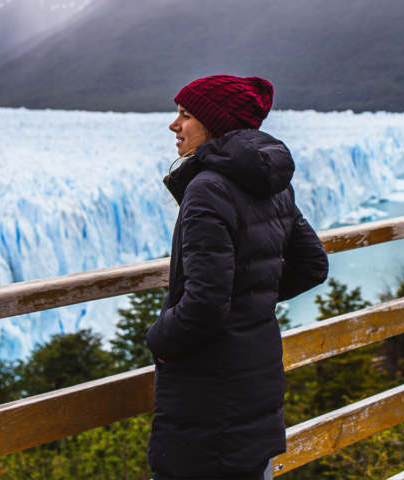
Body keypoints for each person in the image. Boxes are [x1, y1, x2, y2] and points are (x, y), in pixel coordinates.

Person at [145, 75, 329, 479]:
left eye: (185, 115)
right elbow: (312, 264)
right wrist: (249, 299)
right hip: (254, 376)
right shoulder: (270, 184)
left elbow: (205, 305)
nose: (174, 126)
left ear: (213, 125)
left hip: (208, 394)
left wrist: (159, 339)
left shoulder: (207, 188)